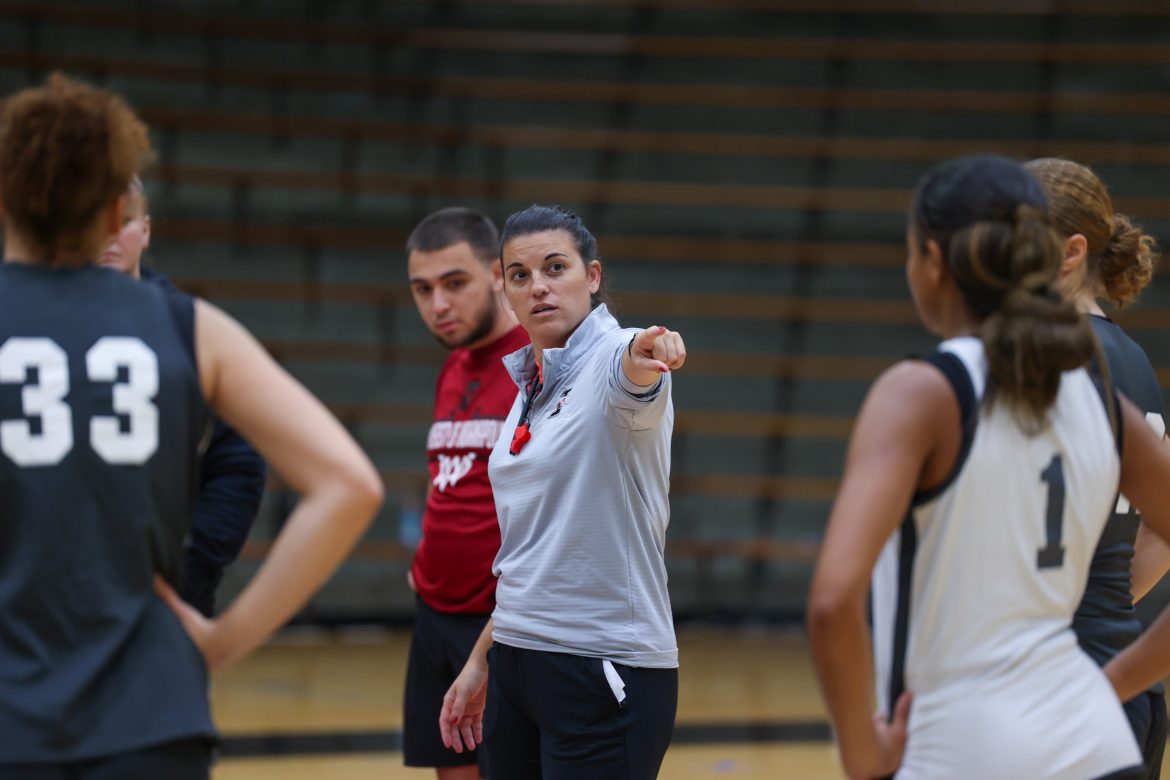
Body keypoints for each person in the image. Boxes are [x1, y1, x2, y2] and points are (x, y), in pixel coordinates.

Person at [0, 74, 382, 779]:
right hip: (150, 714)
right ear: (118, 205)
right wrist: (222, 640)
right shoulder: (188, 327)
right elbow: (348, 484)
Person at [807, 154, 1170, 780]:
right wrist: (1107, 688)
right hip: (1097, 747)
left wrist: (864, 760)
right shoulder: (1102, 401)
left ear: (933, 262)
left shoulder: (920, 392)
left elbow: (833, 602)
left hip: (963, 748)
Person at [439, 204, 686, 780]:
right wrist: (481, 662)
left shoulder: (610, 357)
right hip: (517, 663)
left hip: (602, 667)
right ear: (505, 291)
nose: (539, 287)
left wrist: (650, 352)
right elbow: (531, 554)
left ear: (592, 277)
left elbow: (634, 368)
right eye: (521, 276)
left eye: (556, 268)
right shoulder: (529, 383)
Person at [1026, 156, 1170, 780]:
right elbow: (1161, 532)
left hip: (1055, 696)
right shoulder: (1135, 360)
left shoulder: (1050, 360)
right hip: (1128, 683)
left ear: (1069, 251)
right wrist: (1105, 605)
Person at [100, 175, 267, 618]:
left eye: (124, 222)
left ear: (146, 230)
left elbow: (241, 457)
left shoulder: (189, 328)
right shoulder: (33, 326)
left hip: (166, 595)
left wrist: (193, 565)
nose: (108, 237)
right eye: (91, 222)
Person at [403, 207, 528, 780]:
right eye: (423, 290)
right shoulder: (452, 367)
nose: (438, 305)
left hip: (500, 619)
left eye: (455, 284)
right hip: (435, 613)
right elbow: (449, 475)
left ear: (499, 275)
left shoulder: (539, 364)